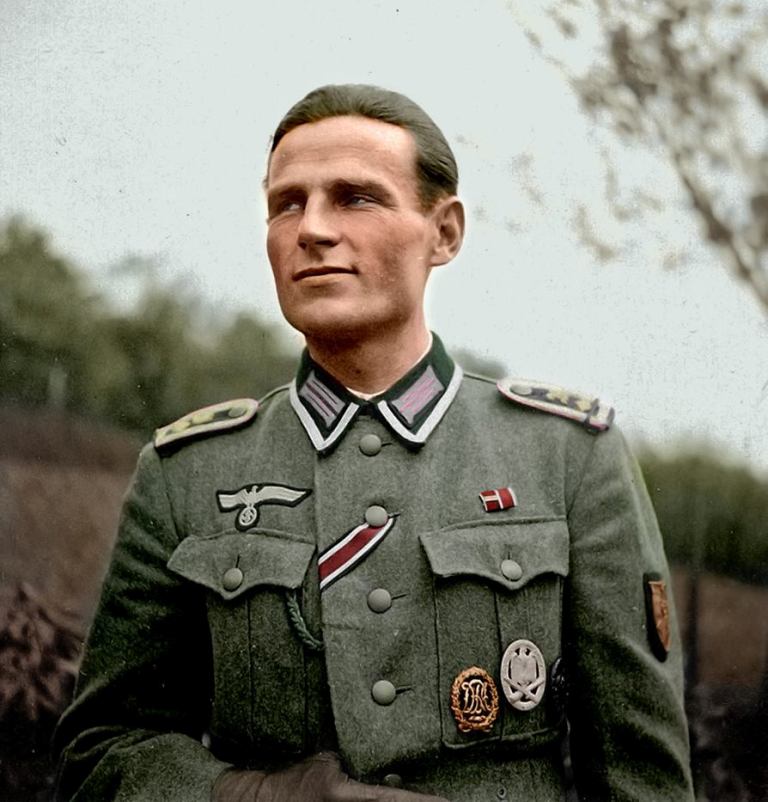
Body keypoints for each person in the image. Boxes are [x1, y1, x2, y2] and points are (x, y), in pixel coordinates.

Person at [55, 84, 694, 801]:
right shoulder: (187, 474)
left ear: (444, 233)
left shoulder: (568, 458)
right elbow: (100, 750)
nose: (311, 229)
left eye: (355, 197)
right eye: (286, 204)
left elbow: (643, 782)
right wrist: (258, 797)